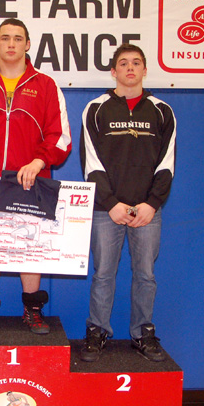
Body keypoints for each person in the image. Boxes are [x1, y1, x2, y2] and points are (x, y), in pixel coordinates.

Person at [0, 18, 72, 335]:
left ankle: (32, 311)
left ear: (27, 44)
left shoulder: (46, 85)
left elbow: (60, 137)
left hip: (31, 178)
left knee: (30, 246)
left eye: (18, 38)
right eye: (5, 38)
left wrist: (39, 161)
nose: (11, 44)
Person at [79, 43, 176, 362]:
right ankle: (97, 331)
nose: (130, 68)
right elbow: (90, 163)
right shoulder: (96, 108)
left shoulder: (162, 111)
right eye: (123, 63)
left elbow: (166, 164)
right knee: (103, 274)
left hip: (147, 211)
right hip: (107, 211)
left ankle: (142, 333)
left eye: (136, 62)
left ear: (145, 69)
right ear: (114, 71)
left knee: (146, 275)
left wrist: (151, 203)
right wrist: (111, 203)